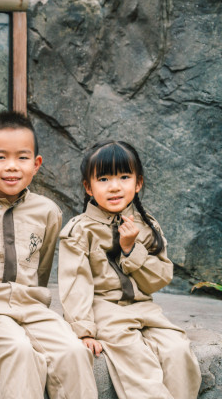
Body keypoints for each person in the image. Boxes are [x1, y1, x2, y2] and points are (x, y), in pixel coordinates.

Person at [0, 111, 98, 399]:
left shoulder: (47, 211)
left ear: (36, 164)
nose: (12, 167)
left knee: (73, 352)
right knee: (18, 350)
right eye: (1, 157)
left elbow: (41, 272)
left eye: (22, 157)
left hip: (32, 308)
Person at [58, 140, 201, 399]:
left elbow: (158, 280)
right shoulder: (79, 230)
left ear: (138, 183)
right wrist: (84, 330)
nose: (115, 186)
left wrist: (130, 248)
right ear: (88, 188)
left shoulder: (147, 226)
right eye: (103, 178)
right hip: (105, 311)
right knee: (137, 361)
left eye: (124, 177)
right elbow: (75, 283)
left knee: (178, 351)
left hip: (146, 309)